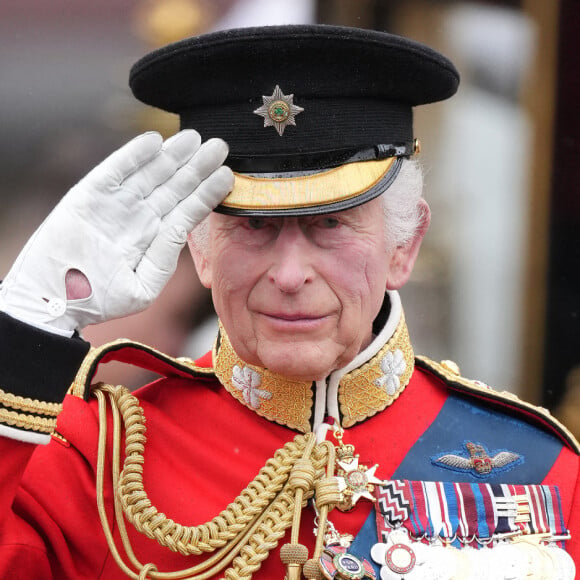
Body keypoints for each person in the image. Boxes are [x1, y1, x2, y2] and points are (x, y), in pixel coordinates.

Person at [0, 24, 577, 580]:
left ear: (405, 244)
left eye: (330, 224)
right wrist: (22, 330)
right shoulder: (96, 455)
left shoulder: (543, 470)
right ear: (198, 248)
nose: (290, 274)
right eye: (253, 227)